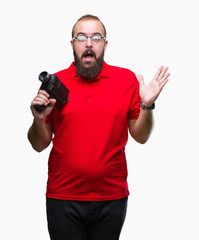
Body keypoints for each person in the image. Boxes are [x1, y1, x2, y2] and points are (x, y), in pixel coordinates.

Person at [27, 14, 169, 240]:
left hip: (111, 198)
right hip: (63, 198)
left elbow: (140, 137)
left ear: (105, 44)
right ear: (72, 43)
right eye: (81, 37)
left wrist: (147, 105)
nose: (89, 43)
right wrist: (38, 119)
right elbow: (38, 145)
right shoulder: (54, 84)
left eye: (96, 37)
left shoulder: (126, 79)